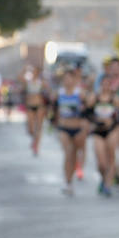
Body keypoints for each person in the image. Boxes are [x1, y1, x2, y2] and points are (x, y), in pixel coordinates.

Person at [50, 68, 89, 196]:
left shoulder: (80, 93)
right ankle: (68, 182)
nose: (67, 81)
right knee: (67, 154)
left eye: (69, 78)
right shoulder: (58, 93)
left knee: (74, 155)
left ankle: (73, 176)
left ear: (74, 80)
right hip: (64, 127)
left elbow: (87, 110)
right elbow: (54, 111)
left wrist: (85, 124)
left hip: (77, 128)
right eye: (65, 79)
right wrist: (54, 123)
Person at [22, 66, 48, 155]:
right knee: (30, 128)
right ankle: (34, 140)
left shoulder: (41, 82)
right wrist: (24, 69)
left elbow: (48, 89)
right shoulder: (28, 81)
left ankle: (36, 144)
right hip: (30, 105)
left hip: (39, 105)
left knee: (39, 127)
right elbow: (19, 77)